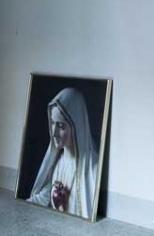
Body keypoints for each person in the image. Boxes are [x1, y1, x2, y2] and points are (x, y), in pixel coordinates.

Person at [26, 87, 99, 218]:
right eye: (52, 123)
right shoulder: (57, 161)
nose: (54, 133)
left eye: (61, 126)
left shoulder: (93, 169)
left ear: (76, 127)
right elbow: (45, 196)